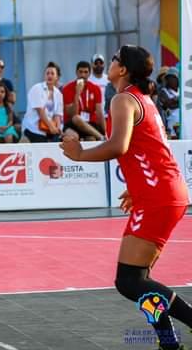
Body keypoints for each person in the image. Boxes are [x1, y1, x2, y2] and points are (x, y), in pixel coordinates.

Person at [61, 45, 192, 350]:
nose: (111, 63)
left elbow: (119, 146)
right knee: (138, 279)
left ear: (123, 70)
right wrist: (136, 186)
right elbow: (148, 147)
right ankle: (168, 341)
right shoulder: (140, 99)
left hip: (159, 194)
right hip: (161, 191)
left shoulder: (124, 99)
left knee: (130, 281)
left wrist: (79, 153)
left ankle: (174, 335)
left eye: (116, 59)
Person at [62, 61, 105, 141]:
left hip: (90, 124)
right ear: (76, 73)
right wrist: (77, 93)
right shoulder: (67, 88)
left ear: (89, 74)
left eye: (86, 72)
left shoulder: (95, 88)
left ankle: (103, 137)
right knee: (76, 120)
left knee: (91, 139)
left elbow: (99, 113)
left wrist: (106, 132)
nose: (83, 75)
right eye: (80, 72)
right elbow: (72, 114)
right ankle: (101, 138)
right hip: (73, 123)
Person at [21, 62, 64, 143]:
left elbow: (57, 115)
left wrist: (57, 129)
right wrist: (51, 127)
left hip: (48, 127)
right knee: (42, 144)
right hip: (33, 128)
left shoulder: (58, 93)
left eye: (52, 73)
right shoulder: (37, 88)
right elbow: (40, 111)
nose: (49, 76)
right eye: (47, 73)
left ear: (57, 77)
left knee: (57, 142)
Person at [158, 68, 180, 139]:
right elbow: (169, 105)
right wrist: (179, 101)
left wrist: (175, 100)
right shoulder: (163, 91)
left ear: (177, 78)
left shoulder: (181, 90)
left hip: (183, 122)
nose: (169, 80)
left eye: (172, 77)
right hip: (172, 122)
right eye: (168, 78)